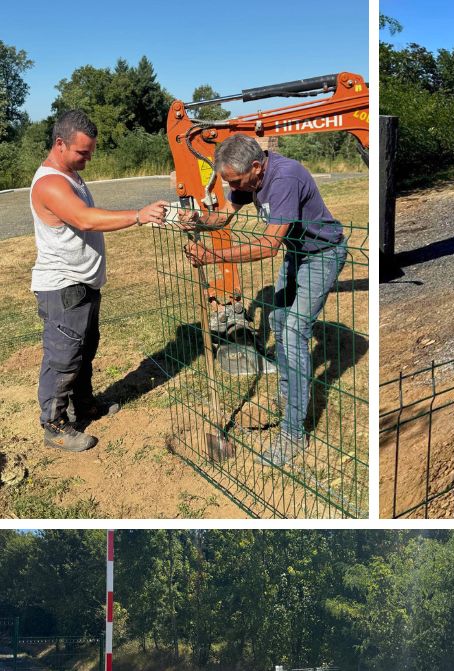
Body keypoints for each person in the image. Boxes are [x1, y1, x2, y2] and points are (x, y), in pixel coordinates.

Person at [184, 134, 346, 468]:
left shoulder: (285, 177)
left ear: (256, 167)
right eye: (229, 182)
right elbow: (224, 216)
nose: (233, 188)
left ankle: (293, 434)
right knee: (279, 321)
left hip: (323, 254)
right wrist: (197, 220)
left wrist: (212, 256)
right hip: (297, 252)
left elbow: (269, 245)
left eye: (235, 181)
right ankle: (288, 392)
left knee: (294, 332)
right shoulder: (247, 178)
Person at [30, 109, 169, 452]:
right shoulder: (50, 183)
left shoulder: (71, 174)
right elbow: (85, 219)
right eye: (83, 152)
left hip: (83, 284)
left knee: (84, 349)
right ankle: (54, 425)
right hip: (63, 286)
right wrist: (138, 215)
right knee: (63, 357)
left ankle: (84, 405)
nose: (88, 159)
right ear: (60, 144)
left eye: (90, 152)